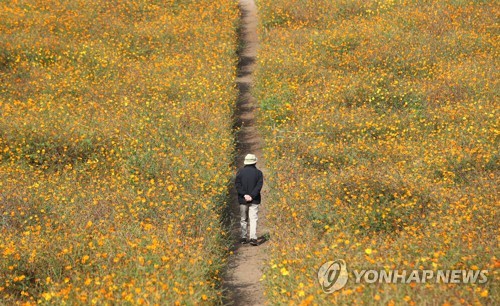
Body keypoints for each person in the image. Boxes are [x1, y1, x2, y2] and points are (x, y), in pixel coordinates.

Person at [235, 153, 263, 246]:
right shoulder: (259, 173)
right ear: (255, 162)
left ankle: (243, 237)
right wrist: (251, 195)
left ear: (246, 163)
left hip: (243, 200)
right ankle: (253, 238)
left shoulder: (240, 172)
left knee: (243, 219)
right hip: (254, 200)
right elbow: (259, 186)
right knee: (253, 218)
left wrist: (245, 195)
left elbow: (238, 186)